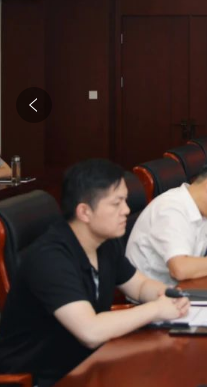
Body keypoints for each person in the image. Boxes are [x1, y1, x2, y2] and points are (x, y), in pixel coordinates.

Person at [0, 159, 190, 386]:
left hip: (88, 363)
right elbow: (90, 331)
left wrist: (166, 295)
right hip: (42, 378)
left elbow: (138, 286)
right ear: (84, 212)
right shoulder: (49, 258)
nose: (126, 210)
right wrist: (156, 309)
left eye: (125, 200)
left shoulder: (105, 242)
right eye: (116, 203)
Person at [125, 152, 207, 286]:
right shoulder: (171, 209)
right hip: (155, 296)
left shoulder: (204, 209)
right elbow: (180, 269)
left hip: (185, 289)